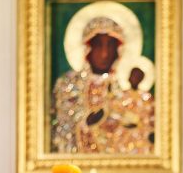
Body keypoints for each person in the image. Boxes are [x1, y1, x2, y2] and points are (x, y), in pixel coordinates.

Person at [51, 13, 155, 155]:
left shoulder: (125, 88)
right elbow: (61, 130)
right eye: (99, 45)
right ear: (88, 48)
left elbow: (142, 129)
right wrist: (86, 124)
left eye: (110, 46)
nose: (105, 54)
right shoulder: (67, 85)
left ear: (118, 51)